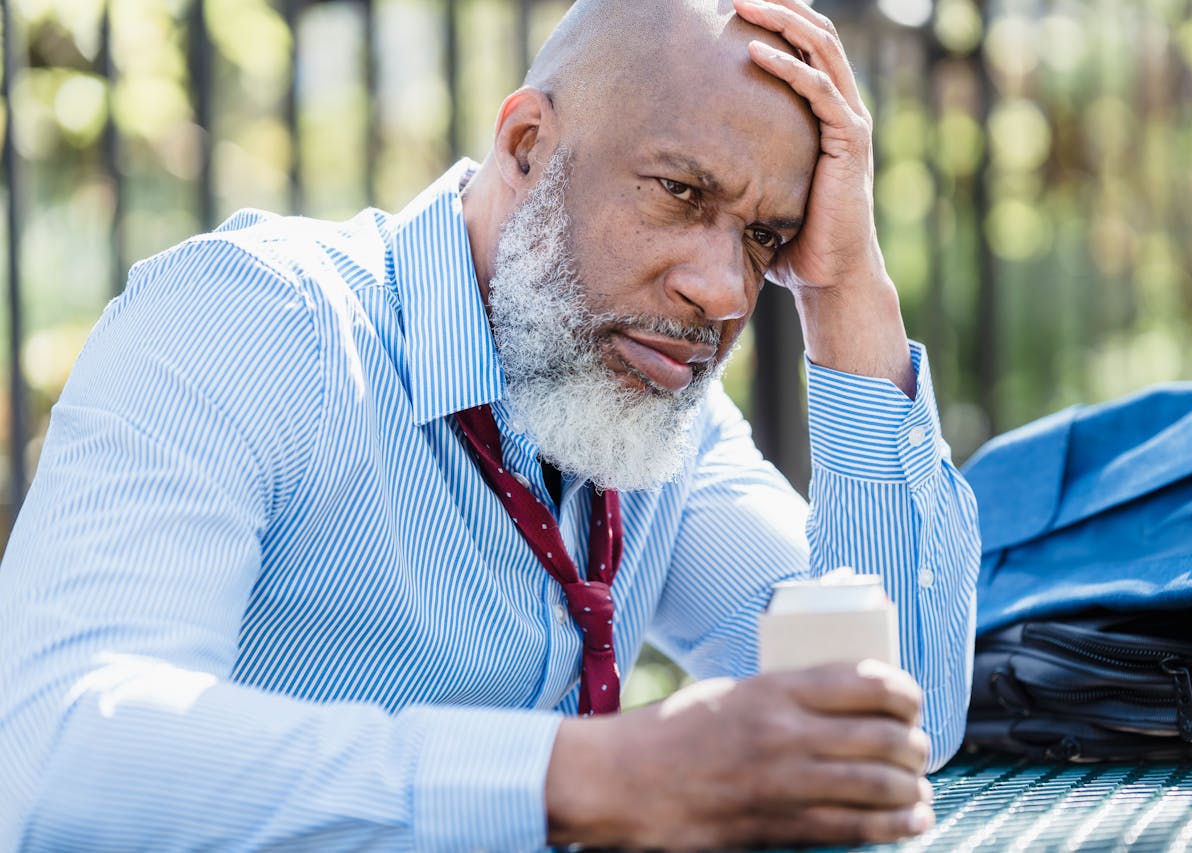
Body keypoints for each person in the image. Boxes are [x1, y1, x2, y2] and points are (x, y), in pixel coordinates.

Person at [0, 0, 980, 849]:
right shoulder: (249, 321)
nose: (722, 291)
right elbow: (60, 756)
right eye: (679, 193)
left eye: (763, 239)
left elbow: (900, 721)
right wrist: (592, 777)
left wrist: (846, 286)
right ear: (527, 146)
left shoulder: (655, 416)